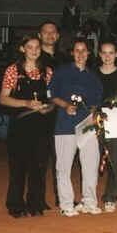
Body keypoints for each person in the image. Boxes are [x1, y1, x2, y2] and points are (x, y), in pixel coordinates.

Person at [0, 35, 53, 218]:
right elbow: (3, 98)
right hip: (20, 125)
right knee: (18, 167)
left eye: (37, 47)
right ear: (23, 49)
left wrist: (48, 108)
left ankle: (35, 203)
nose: (34, 50)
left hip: (41, 125)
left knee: (38, 166)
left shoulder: (47, 71)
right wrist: (26, 103)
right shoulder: (13, 70)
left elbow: (53, 99)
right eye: (30, 47)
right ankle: (15, 204)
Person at [48, 39, 104, 217]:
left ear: (89, 53)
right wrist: (65, 105)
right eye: (77, 50)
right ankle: (66, 204)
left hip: (87, 124)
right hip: (65, 124)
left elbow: (96, 103)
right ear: (72, 53)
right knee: (63, 167)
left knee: (90, 165)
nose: (80, 54)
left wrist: (92, 113)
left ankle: (89, 201)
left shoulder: (93, 76)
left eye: (84, 51)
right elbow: (52, 95)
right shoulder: (61, 72)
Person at [37, 21, 70, 208]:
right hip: (40, 113)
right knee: (40, 158)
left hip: (61, 113)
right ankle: (38, 198)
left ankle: (63, 198)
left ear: (57, 36)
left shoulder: (64, 59)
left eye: (53, 32)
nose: (50, 35)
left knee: (62, 158)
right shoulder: (33, 57)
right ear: (40, 35)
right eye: (46, 32)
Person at [95, 42, 117, 213]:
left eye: (111, 53)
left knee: (114, 160)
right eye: (104, 53)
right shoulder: (92, 74)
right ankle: (89, 197)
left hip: (116, 120)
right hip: (94, 120)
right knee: (91, 159)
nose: (107, 56)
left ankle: (111, 196)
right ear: (100, 54)